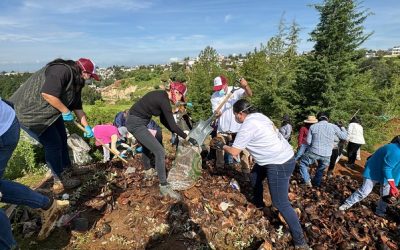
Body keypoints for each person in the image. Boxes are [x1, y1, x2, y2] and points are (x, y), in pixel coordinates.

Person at [210, 99, 308, 248]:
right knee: (255, 176)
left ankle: (300, 242)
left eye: (236, 115)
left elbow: (235, 152)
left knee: (280, 203)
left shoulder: (248, 125)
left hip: (278, 163)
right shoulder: (260, 116)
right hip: (282, 156)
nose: (235, 118)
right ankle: (258, 203)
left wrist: (221, 145)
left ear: (241, 114)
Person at [9, 58, 99, 194]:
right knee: (53, 144)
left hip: (50, 111)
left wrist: (87, 126)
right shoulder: (61, 70)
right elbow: (48, 94)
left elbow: (78, 107)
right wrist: (65, 110)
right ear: (84, 71)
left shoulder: (77, 81)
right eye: (90, 75)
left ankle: (68, 169)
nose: (89, 79)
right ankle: (59, 180)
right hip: (30, 113)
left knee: (62, 138)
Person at [0, 98, 69, 247]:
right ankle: (47, 205)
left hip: (4, 129)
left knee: (54, 144)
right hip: (8, 121)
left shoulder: (63, 78)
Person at [126, 82, 198, 200]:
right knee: (160, 151)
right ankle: (164, 187)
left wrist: (178, 133)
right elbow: (173, 126)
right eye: (181, 96)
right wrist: (187, 137)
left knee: (148, 145)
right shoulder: (163, 100)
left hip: (136, 121)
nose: (180, 99)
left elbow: (166, 122)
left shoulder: (162, 97)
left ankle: (148, 170)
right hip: (136, 123)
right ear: (176, 92)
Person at [339, 136, 400, 217]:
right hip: (374, 169)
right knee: (365, 190)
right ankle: (347, 204)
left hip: (392, 172)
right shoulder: (396, 151)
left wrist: (394, 184)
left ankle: (380, 211)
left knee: (386, 194)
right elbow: (386, 169)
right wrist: (393, 186)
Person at [210, 75, 252, 169]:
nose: (219, 90)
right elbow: (216, 113)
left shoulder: (235, 91)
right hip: (222, 129)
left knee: (243, 151)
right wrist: (217, 113)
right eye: (217, 88)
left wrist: (245, 86)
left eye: (221, 88)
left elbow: (249, 94)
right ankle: (220, 168)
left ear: (226, 84)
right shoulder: (214, 96)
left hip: (238, 128)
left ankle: (246, 172)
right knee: (219, 149)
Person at [298, 112, 348, 187]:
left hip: (314, 151)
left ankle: (307, 181)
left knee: (302, 163)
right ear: (328, 119)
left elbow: (308, 142)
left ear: (318, 119)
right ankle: (316, 184)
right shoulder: (333, 126)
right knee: (320, 169)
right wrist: (342, 127)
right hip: (327, 154)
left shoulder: (313, 127)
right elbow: (344, 137)